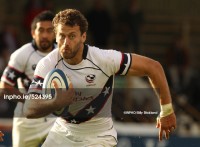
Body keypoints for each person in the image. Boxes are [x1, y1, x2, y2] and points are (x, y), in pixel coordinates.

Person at [23, 9, 176, 147]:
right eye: (62, 36)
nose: (66, 43)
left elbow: (154, 67)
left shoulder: (103, 59)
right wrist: (55, 102)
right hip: (62, 133)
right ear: (55, 37)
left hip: (98, 137)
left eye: (72, 36)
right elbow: (29, 109)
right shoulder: (47, 64)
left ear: (83, 37)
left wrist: (167, 111)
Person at [0, 11, 56, 147]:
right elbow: (4, 87)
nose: (44, 35)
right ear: (33, 33)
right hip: (26, 121)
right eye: (41, 30)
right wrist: (30, 101)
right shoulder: (22, 54)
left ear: (55, 33)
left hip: (54, 120)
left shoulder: (63, 54)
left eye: (49, 31)